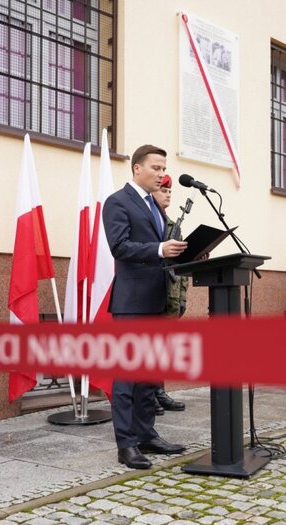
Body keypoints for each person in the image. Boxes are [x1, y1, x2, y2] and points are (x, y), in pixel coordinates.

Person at [102, 145, 188, 470]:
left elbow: (161, 250)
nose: (161, 174)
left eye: (164, 168)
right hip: (131, 304)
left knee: (149, 377)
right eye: (156, 167)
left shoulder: (155, 205)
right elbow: (119, 246)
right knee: (127, 377)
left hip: (156, 300)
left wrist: (190, 253)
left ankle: (146, 434)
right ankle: (126, 444)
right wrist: (160, 249)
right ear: (137, 168)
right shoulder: (118, 202)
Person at [150, 174, 187, 415]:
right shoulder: (147, 222)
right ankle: (148, 394)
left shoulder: (174, 226)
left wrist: (181, 297)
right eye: (163, 190)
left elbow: (181, 266)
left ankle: (159, 391)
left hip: (170, 296)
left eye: (170, 191)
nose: (168, 194)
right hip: (152, 294)